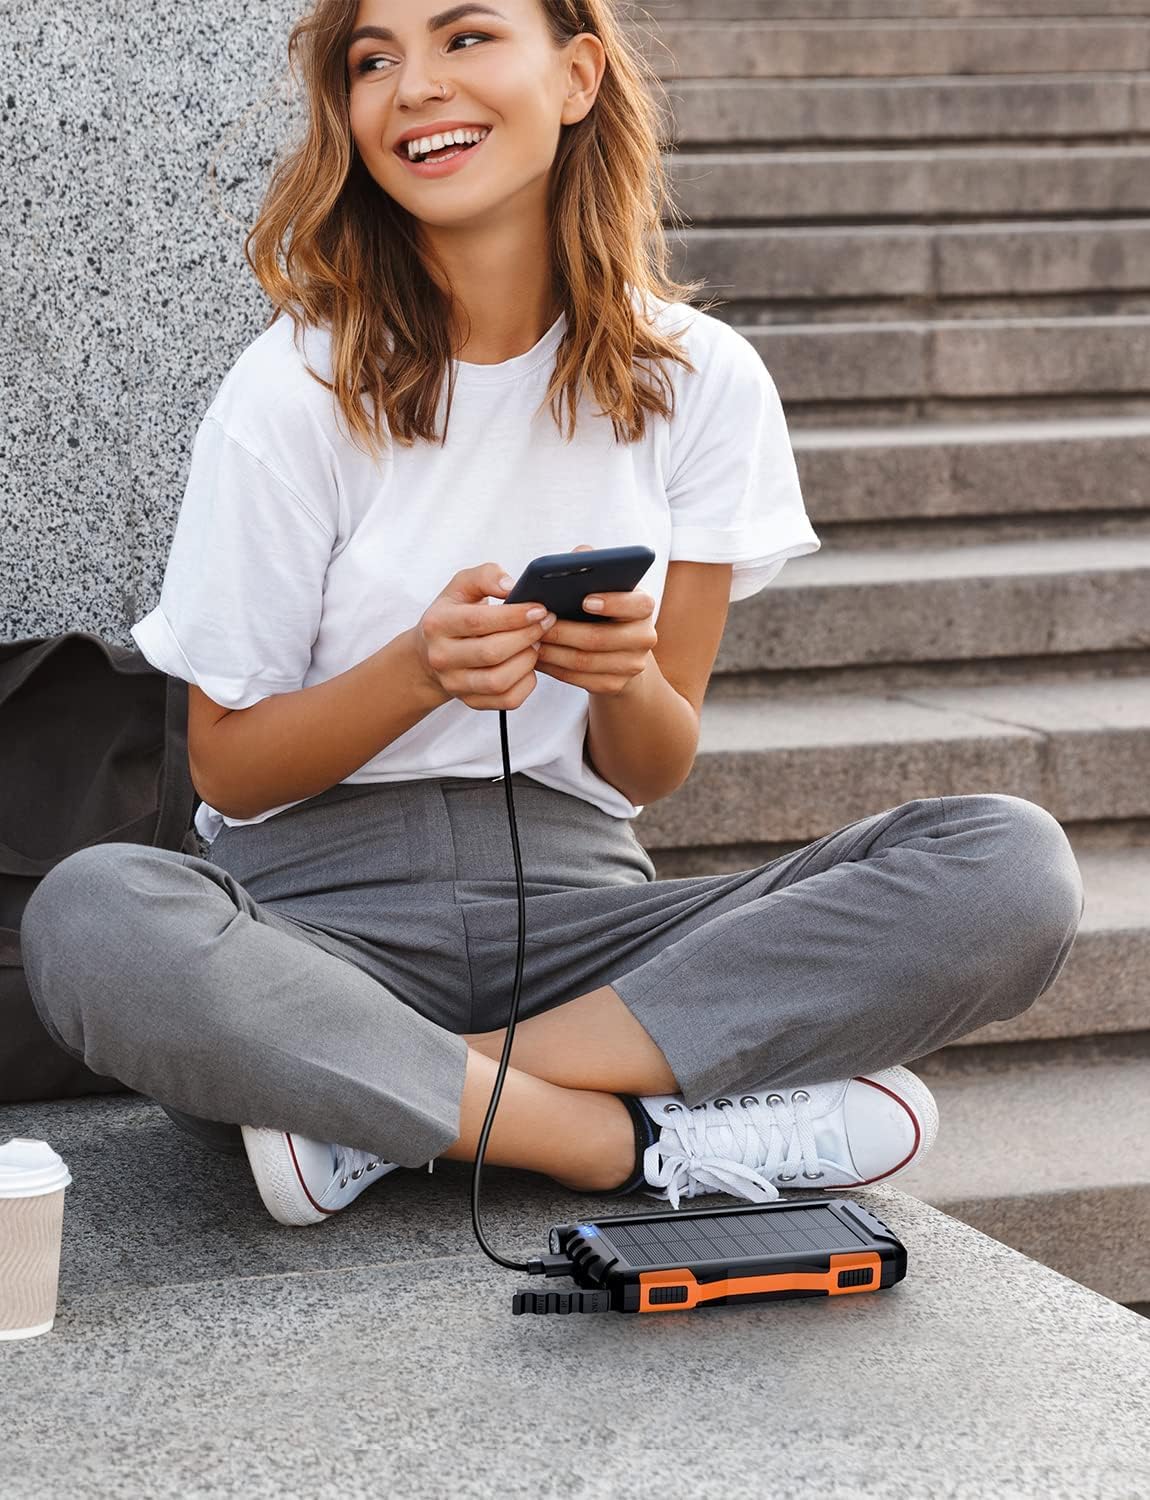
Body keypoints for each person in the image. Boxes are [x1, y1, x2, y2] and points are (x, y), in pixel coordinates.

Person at [21, 0, 1085, 1227]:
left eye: (465, 37)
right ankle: (608, 1137)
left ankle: (393, 1104)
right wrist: (416, 671)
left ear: (577, 74)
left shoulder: (699, 382)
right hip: (315, 937)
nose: (414, 85)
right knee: (94, 914)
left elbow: (651, 767)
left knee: (1008, 866)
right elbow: (230, 768)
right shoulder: (294, 384)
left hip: (590, 926)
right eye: (375, 60)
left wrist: (623, 678)